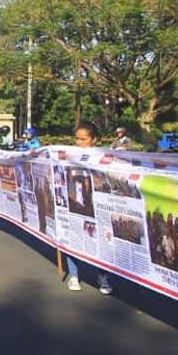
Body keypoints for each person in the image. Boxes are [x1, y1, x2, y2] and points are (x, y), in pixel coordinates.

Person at [63, 123, 112, 295]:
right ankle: (74, 275)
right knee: (72, 239)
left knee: (101, 243)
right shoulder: (70, 155)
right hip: (75, 204)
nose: (79, 142)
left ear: (94, 139)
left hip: (95, 207)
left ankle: (103, 277)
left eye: (83, 139)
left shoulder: (102, 157)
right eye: (77, 138)